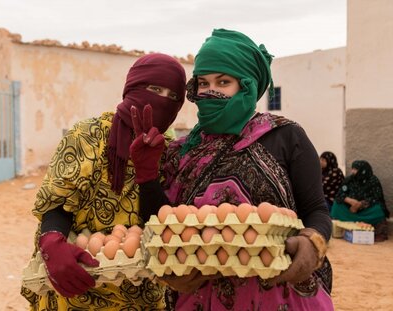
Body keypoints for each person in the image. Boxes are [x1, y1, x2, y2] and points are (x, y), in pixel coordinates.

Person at [132, 29, 334, 310]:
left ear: (247, 85)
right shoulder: (182, 151)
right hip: (200, 298)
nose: (210, 91)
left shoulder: (286, 137)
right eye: (203, 83)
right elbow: (162, 224)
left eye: (223, 81)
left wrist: (312, 243)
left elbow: (317, 210)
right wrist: (147, 175)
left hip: (280, 296)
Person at [20, 53, 187, 310]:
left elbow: (160, 220)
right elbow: (58, 201)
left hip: (138, 291)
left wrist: (147, 175)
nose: (162, 100)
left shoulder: (169, 149)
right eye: (155, 89)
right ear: (133, 86)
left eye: (172, 96)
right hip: (78, 283)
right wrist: (53, 241)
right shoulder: (88, 135)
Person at [331, 160, 389, 241]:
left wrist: (360, 204)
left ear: (363, 170)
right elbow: (340, 194)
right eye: (352, 169)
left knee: (379, 209)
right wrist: (350, 201)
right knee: (337, 205)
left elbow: (376, 197)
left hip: (366, 210)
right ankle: (339, 230)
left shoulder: (373, 180)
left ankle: (378, 233)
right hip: (350, 210)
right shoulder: (349, 180)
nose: (353, 171)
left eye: (355, 169)